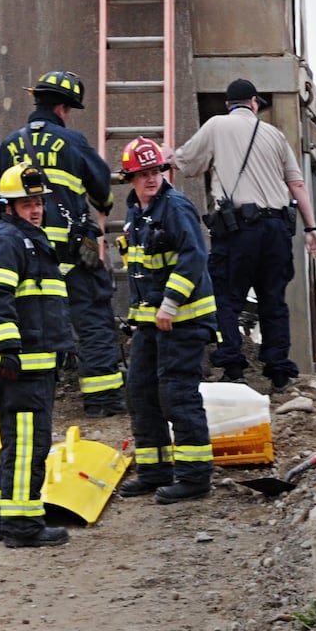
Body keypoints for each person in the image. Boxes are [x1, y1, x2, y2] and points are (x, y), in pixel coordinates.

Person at [0, 70, 125, 417]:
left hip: (24, 256)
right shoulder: (72, 142)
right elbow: (102, 189)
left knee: (24, 324)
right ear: (63, 108)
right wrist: (102, 211)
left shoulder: (9, 145)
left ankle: (18, 398)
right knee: (92, 322)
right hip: (73, 257)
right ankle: (101, 400)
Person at [168, 78, 316, 389]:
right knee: (273, 300)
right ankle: (278, 370)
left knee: (226, 298)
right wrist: (311, 228)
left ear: (228, 105)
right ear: (254, 103)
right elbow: (298, 185)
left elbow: (186, 164)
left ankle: (233, 366)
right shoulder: (275, 135)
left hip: (239, 230)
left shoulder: (216, 126)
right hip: (278, 230)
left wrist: (167, 153)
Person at [0, 163, 72, 547]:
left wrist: (62, 346)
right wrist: (8, 348)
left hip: (36, 362)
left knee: (19, 444)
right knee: (29, 447)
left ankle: (0, 516)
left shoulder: (29, 239)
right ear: (8, 206)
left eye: (38, 201)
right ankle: (23, 527)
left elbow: (41, 303)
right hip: (22, 366)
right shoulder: (9, 241)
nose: (36, 209)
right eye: (26, 203)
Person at [114, 137, 215, 504]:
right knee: (140, 392)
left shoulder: (175, 207)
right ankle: (155, 470)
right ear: (131, 178)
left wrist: (170, 304)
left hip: (184, 320)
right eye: (142, 174)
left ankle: (194, 476)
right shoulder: (135, 212)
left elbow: (193, 257)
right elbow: (142, 271)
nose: (150, 179)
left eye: (155, 171)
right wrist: (137, 321)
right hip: (152, 322)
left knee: (177, 394)